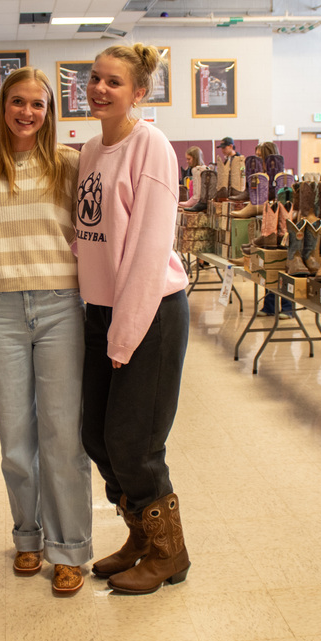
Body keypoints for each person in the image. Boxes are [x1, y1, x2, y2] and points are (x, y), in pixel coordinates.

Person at [0, 68, 92, 595]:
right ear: (1, 105)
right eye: (18, 102)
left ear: (50, 111)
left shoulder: (71, 165)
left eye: (38, 104)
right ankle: (27, 536)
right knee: (16, 440)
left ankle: (70, 547)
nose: (27, 112)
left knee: (62, 435)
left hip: (61, 306)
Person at [75, 42, 191, 595]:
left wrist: (124, 334)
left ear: (139, 93)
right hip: (102, 311)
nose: (99, 89)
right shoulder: (91, 150)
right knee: (96, 436)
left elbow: (147, 251)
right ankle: (140, 537)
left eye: (113, 82)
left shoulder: (152, 147)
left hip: (150, 312)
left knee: (134, 441)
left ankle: (170, 553)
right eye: (95, 78)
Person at [256, 141, 294, 318]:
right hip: (271, 227)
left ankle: (287, 307)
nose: (257, 162)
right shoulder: (263, 178)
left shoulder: (283, 180)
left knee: (283, 265)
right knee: (272, 265)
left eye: (260, 157)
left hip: (283, 227)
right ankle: (270, 305)